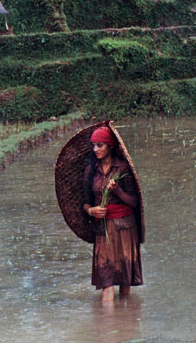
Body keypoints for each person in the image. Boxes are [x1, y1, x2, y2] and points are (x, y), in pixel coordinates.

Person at [81, 126, 143, 301]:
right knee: (105, 281)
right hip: (103, 229)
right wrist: (92, 211)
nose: (96, 150)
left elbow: (135, 202)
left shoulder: (123, 169)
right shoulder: (90, 171)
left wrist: (118, 193)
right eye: (93, 146)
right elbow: (84, 203)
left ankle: (126, 323)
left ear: (110, 146)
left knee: (125, 281)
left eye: (100, 145)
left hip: (124, 228)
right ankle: (106, 325)